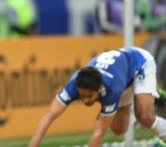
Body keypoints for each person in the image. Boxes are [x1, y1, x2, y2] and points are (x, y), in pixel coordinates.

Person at [28, 47, 166, 147]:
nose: (86, 100)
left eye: (90, 96)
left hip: (140, 63)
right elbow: (48, 117)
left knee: (144, 116)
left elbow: (99, 133)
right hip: (123, 77)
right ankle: (140, 94)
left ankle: (145, 93)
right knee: (119, 129)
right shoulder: (72, 85)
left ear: (99, 89)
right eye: (82, 96)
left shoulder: (111, 89)